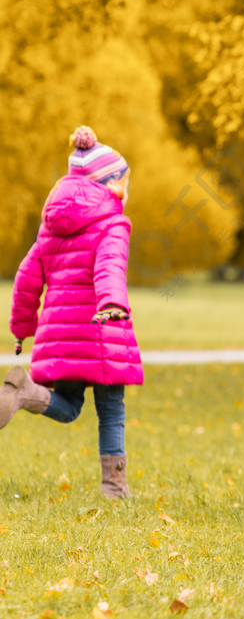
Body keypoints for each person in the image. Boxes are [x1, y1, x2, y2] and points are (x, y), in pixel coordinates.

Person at [2, 126, 142, 499]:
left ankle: (24, 392)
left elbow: (27, 278)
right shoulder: (111, 223)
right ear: (111, 184)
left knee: (68, 407)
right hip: (101, 332)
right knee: (111, 411)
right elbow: (109, 266)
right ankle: (115, 488)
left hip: (59, 336)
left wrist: (21, 328)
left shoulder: (50, 228)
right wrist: (112, 304)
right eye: (124, 182)